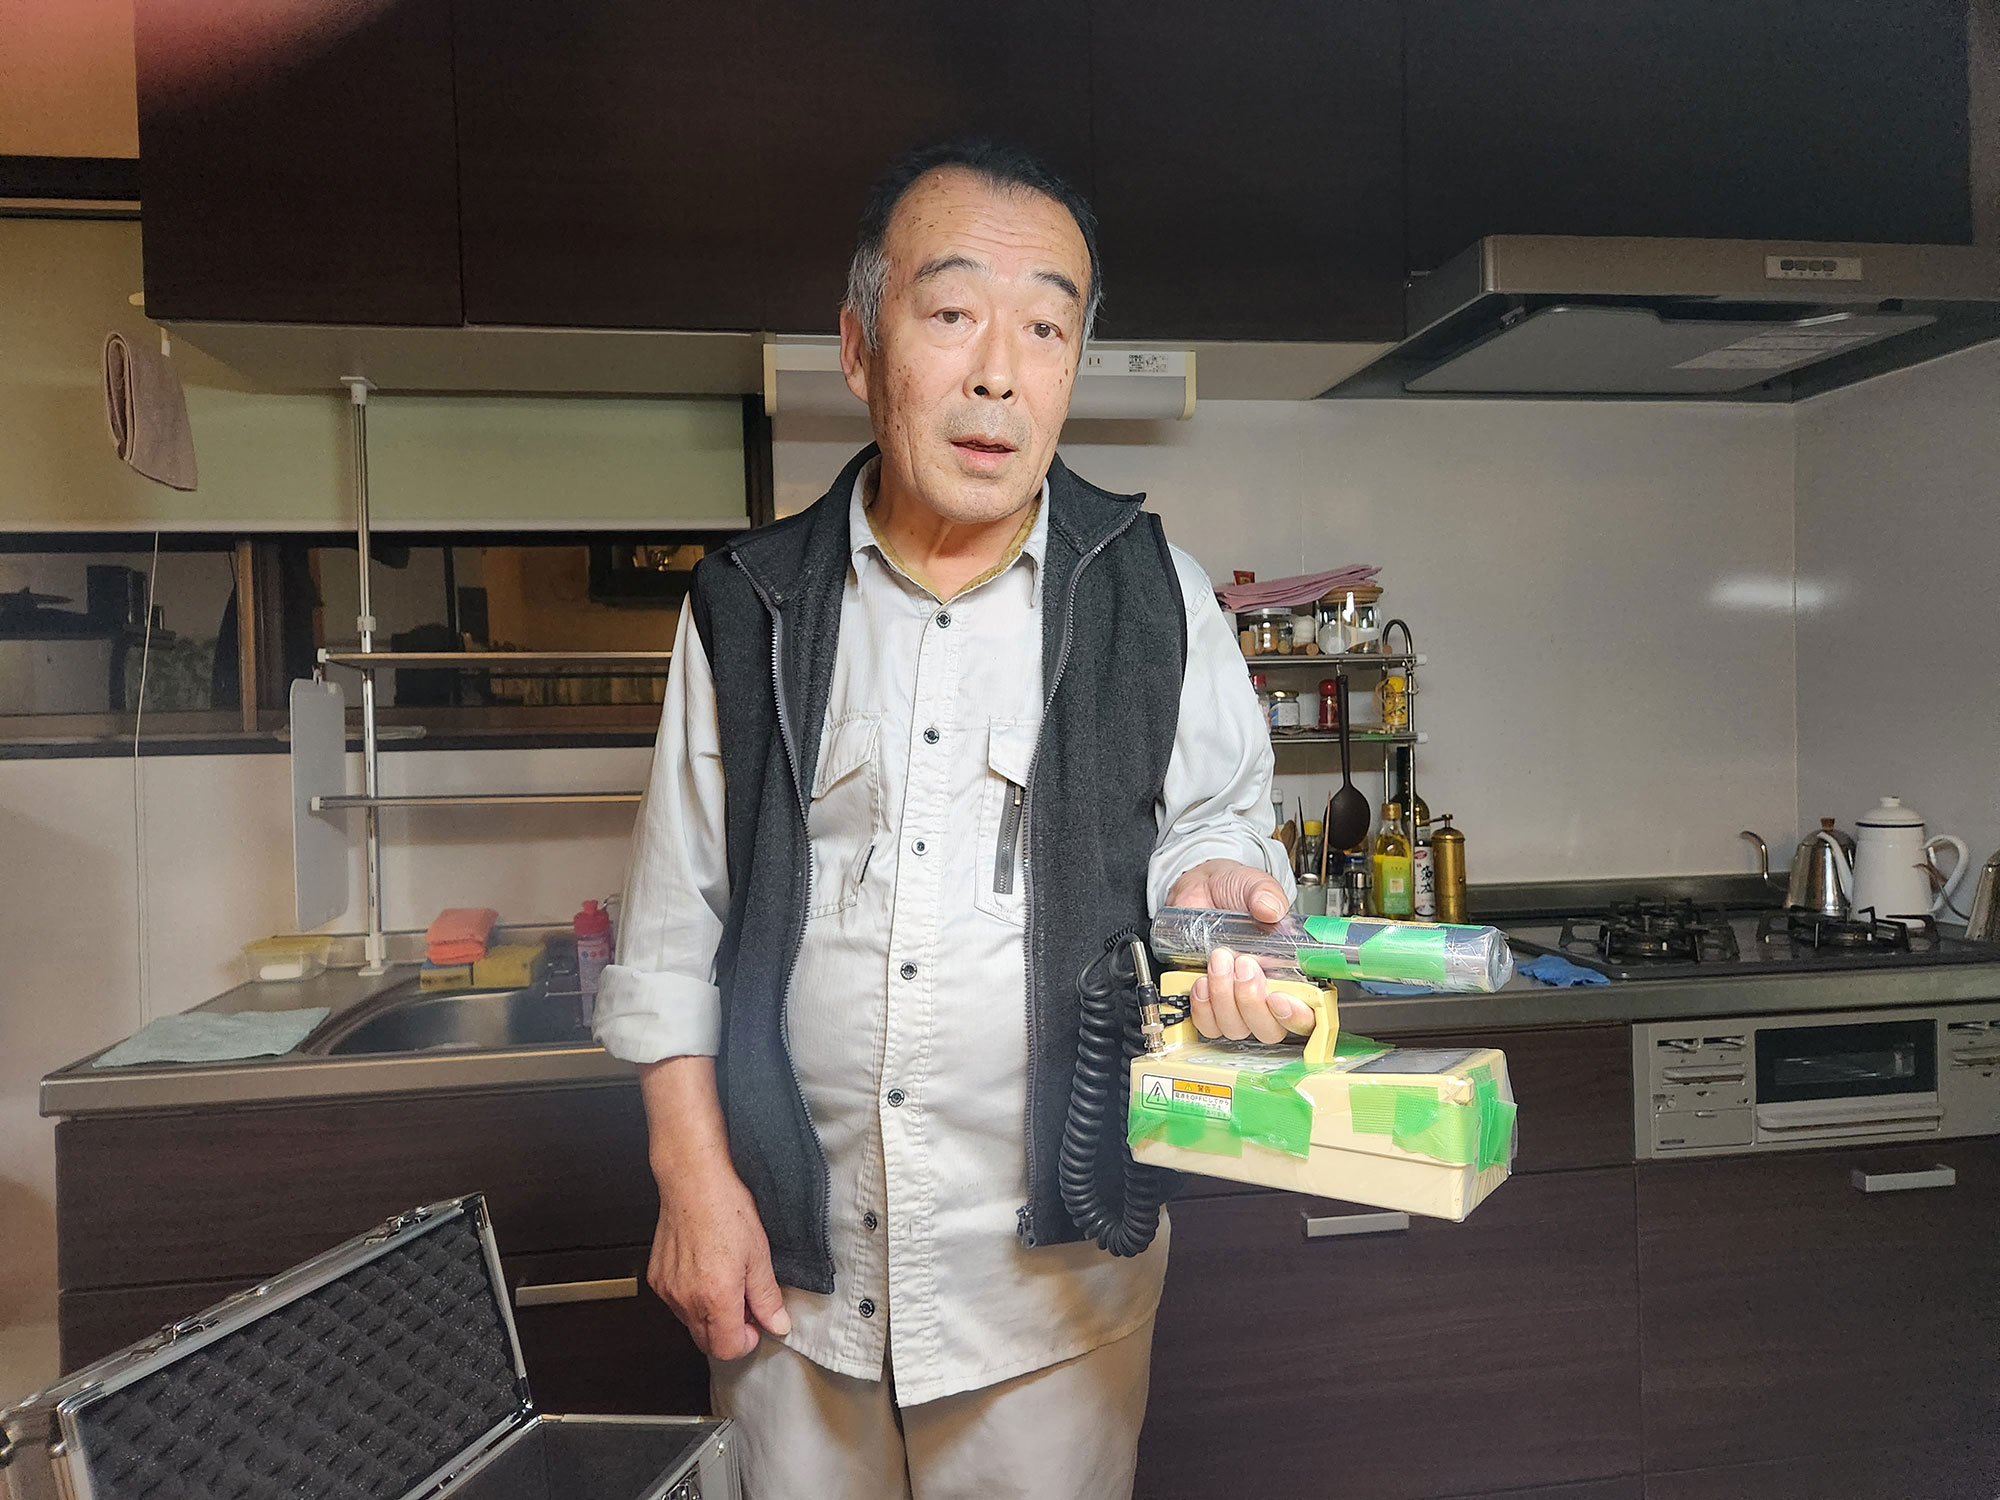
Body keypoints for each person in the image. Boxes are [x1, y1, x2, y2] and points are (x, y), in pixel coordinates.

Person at [594, 139, 1306, 1500]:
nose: (998, 374)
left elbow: (1215, 832)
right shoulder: (748, 606)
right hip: (794, 1287)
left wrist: (1219, 897)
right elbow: (676, 926)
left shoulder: (1159, 593)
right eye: (953, 313)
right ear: (860, 346)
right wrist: (692, 1184)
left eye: (1046, 328)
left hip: (1051, 1298)